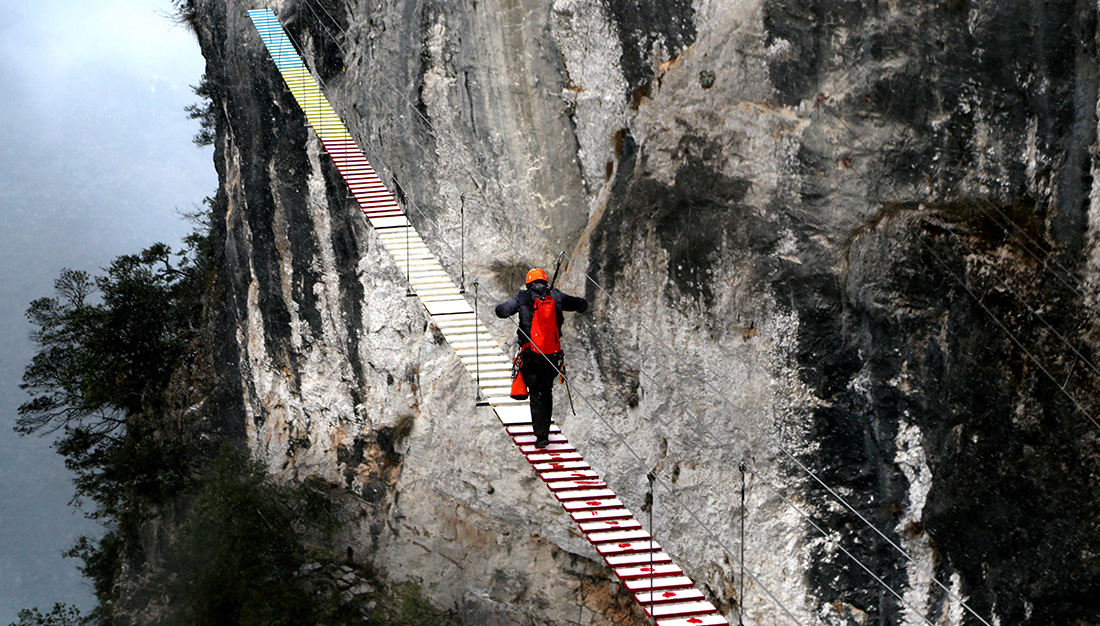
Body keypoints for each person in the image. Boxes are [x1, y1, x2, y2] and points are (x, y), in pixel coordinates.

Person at [495, 268, 588, 448]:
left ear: (529, 283)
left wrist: (499, 307)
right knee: (546, 392)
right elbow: (580, 304)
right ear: (545, 281)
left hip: (531, 355)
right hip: (552, 356)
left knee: (536, 394)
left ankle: (541, 435)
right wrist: (582, 305)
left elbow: (503, 311)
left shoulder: (522, 297)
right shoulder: (556, 296)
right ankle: (544, 432)